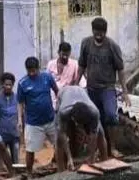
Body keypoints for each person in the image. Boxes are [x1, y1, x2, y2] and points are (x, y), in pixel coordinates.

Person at [77, 17, 129, 146]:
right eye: (96, 31)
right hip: (91, 88)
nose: (99, 35)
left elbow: (121, 70)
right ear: (92, 30)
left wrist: (125, 92)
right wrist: (75, 84)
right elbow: (81, 65)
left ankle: (113, 147)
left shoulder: (112, 46)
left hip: (107, 88)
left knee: (111, 116)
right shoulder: (86, 44)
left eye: (102, 32)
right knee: (93, 118)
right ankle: (96, 149)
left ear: (105, 32)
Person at [18, 57, 60, 173]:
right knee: (30, 150)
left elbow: (57, 91)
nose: (32, 73)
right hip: (33, 123)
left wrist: (59, 107)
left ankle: (61, 167)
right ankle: (29, 172)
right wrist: (19, 120)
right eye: (29, 71)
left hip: (50, 119)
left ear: (38, 68)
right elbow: (20, 103)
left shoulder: (47, 77)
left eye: (34, 70)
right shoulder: (22, 83)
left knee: (59, 144)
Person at [55, 86, 108, 171]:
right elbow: (62, 135)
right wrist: (69, 158)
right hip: (63, 93)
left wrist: (91, 157)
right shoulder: (63, 112)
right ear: (72, 118)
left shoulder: (94, 112)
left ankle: (106, 163)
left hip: (81, 91)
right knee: (58, 139)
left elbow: (94, 136)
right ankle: (60, 171)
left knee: (101, 133)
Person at [0, 73, 19, 173]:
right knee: (1, 160)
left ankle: (16, 176)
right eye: (6, 84)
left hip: (15, 134)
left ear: (13, 85)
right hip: (1, 136)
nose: (8, 87)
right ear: (2, 85)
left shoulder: (17, 97)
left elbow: (20, 115)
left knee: (16, 159)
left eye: (10, 85)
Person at [47, 42, 82, 107]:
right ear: (58, 52)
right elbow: (46, 81)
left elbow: (79, 82)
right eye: (63, 54)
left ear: (69, 53)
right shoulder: (51, 64)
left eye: (67, 55)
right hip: (52, 98)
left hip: (67, 97)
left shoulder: (74, 64)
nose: (65, 57)